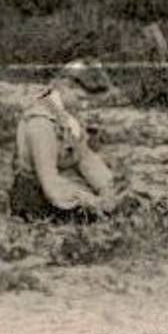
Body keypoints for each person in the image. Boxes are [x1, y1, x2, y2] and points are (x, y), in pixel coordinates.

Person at [10, 60, 119, 221]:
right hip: (38, 194)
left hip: (63, 182)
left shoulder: (68, 116)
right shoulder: (40, 122)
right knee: (96, 217)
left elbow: (84, 156)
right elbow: (50, 183)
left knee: (117, 205)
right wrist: (91, 201)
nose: (85, 106)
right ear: (64, 86)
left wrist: (105, 187)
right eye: (81, 99)